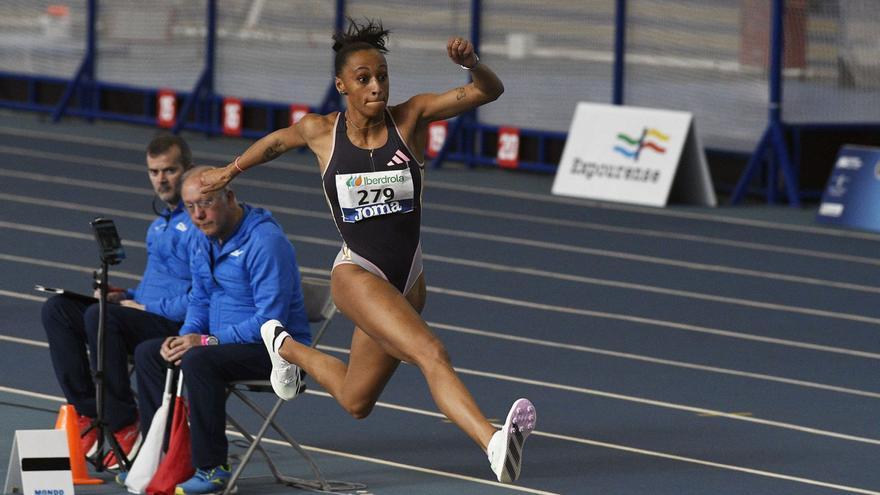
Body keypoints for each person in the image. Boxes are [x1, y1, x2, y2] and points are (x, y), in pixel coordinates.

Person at [199, 18, 537, 483]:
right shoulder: (321, 132)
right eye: (363, 79)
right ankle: (493, 441)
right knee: (431, 352)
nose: (376, 86)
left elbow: (488, 92)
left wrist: (473, 64)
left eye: (382, 76)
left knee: (356, 401)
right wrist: (229, 170)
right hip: (357, 274)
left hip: (409, 279)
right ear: (342, 85)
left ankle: (284, 346)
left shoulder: (412, 117)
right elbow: (276, 144)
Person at [132, 166, 311, 495]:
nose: (198, 215)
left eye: (207, 203)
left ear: (229, 197)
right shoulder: (203, 240)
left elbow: (270, 321)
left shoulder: (266, 243)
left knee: (200, 361)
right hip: (220, 345)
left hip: (278, 351)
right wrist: (183, 336)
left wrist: (204, 341)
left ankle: (213, 467)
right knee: (150, 353)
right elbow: (199, 299)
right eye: (190, 207)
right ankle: (163, 456)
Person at [41, 134, 196, 469]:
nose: (161, 179)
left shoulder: (201, 223)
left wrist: (144, 308)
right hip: (142, 313)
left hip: (175, 324)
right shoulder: (158, 226)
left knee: (101, 317)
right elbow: (155, 287)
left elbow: (202, 297)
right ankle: (88, 413)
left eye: (170, 170)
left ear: (188, 170)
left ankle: (123, 421)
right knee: (58, 310)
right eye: (154, 172)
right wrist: (125, 296)